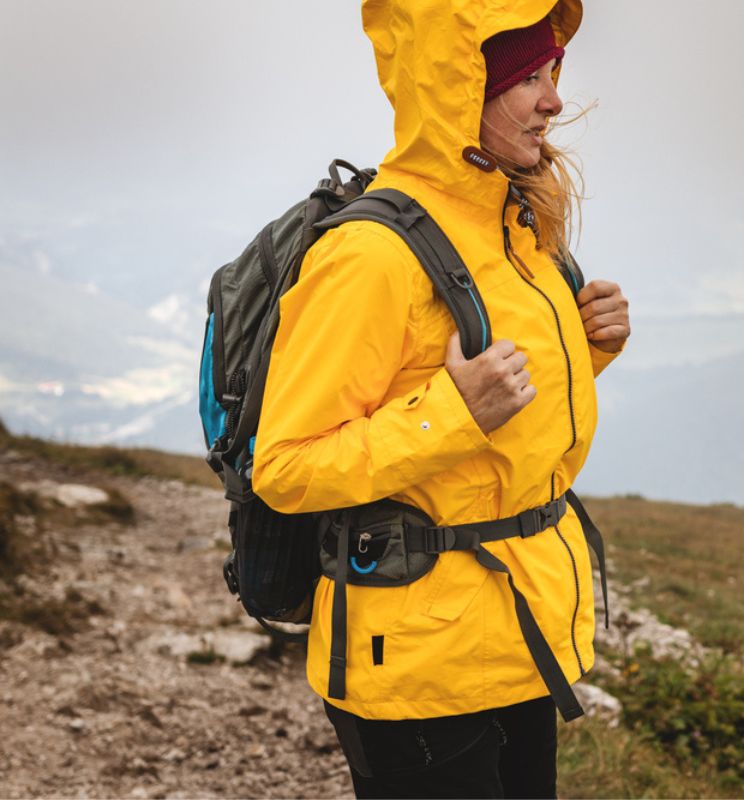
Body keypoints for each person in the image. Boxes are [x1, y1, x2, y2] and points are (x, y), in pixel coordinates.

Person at [251, 0, 628, 797]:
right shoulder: (370, 257)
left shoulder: (516, 225)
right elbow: (285, 467)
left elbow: (498, 427)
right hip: (415, 666)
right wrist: (451, 416)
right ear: (460, 87)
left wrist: (586, 351)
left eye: (553, 72)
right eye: (528, 76)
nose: (554, 99)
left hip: (515, 632)